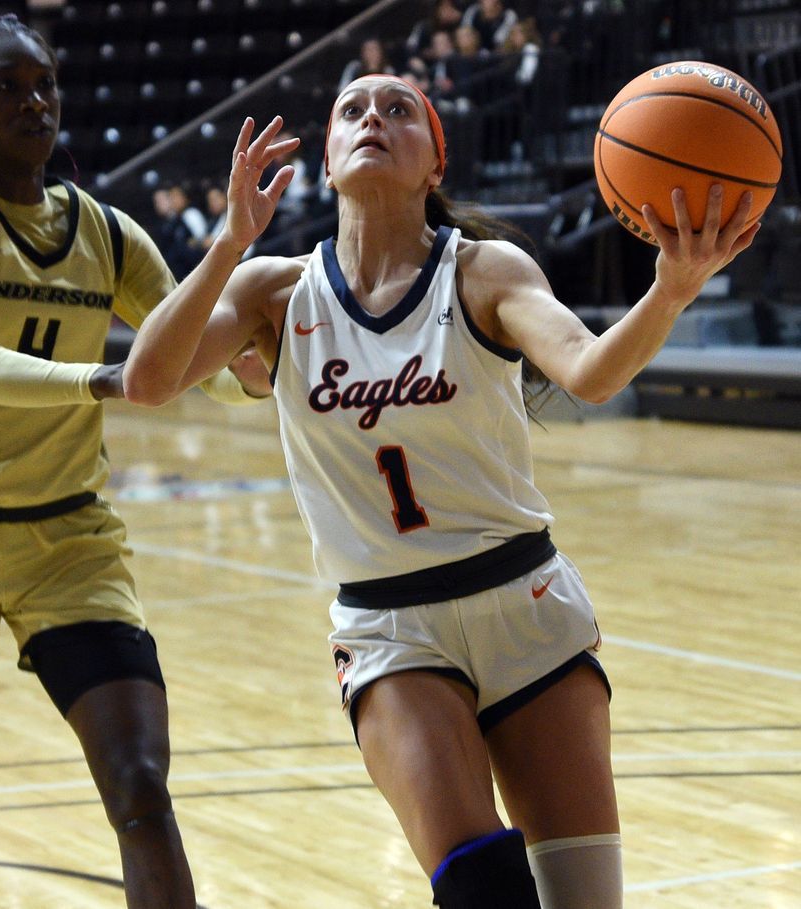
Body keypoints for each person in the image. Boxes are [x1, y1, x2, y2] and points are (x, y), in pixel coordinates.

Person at [120, 74, 760, 908]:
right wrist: (228, 243)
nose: (373, 120)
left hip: (526, 605)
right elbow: (147, 379)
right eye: (351, 109)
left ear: (434, 164)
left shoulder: (485, 271)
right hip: (390, 627)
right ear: (326, 160)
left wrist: (670, 291)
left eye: (398, 111)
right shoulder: (272, 292)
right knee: (484, 891)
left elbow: (591, 373)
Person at [0, 14, 292, 909]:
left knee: (140, 785)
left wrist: (261, 363)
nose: (32, 102)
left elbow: (195, 362)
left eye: (44, 84)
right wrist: (113, 379)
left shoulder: (109, 233)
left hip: (68, 543)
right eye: (6, 87)